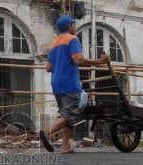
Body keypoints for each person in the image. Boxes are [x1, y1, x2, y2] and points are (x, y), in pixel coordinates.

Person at [40, 15, 111, 153]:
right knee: (69, 114)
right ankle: (47, 133)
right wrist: (101, 61)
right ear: (69, 26)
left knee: (65, 114)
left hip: (56, 83)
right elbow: (78, 60)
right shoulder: (73, 39)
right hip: (69, 83)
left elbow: (48, 67)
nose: (74, 26)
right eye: (73, 24)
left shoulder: (54, 44)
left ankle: (65, 146)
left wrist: (61, 63)